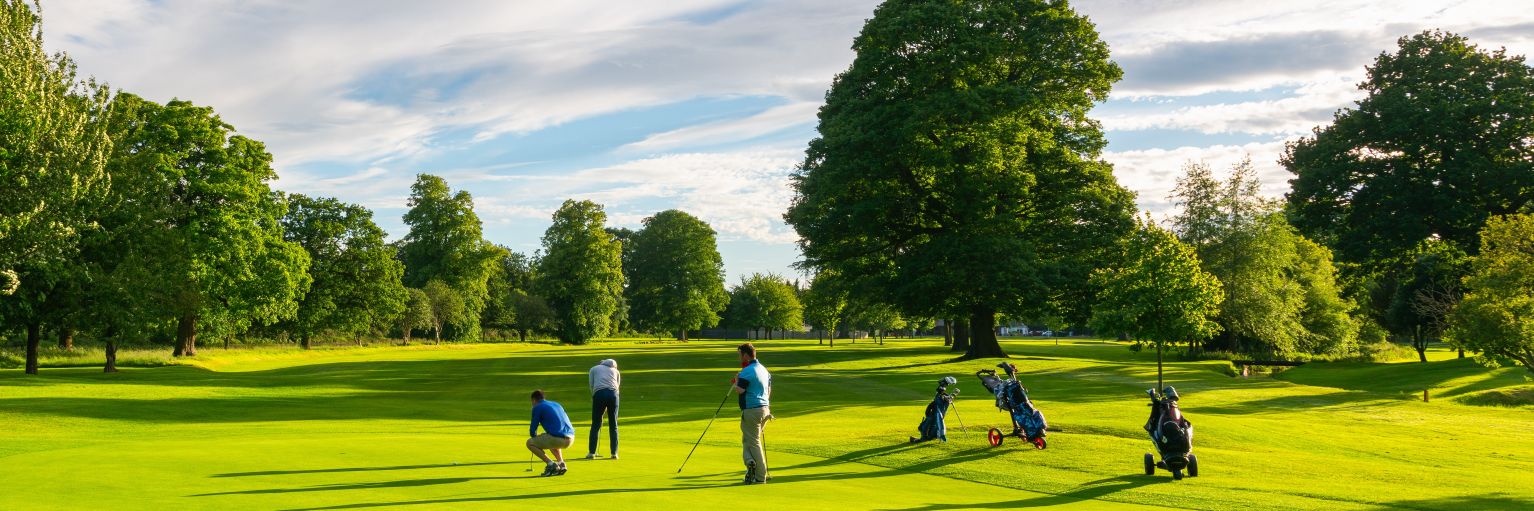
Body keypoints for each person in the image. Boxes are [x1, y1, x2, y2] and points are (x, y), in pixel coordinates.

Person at [733, 343, 772, 485]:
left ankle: (761, 476)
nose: (739, 358)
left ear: (745, 355)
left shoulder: (747, 371)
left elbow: (740, 390)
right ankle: (750, 462)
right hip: (765, 409)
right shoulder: (764, 370)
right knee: (747, 440)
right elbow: (768, 390)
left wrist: (737, 381)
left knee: (753, 442)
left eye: (740, 355)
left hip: (751, 410)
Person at [526, 389, 576, 477]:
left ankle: (551, 464)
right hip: (571, 438)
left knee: (529, 443)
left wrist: (535, 437)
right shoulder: (556, 404)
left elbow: (533, 429)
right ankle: (561, 464)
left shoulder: (537, 407)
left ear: (534, 400)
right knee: (548, 437)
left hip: (558, 439)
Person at [586, 358, 620, 460]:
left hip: (599, 394)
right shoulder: (616, 371)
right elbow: (617, 386)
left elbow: (591, 385)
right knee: (613, 424)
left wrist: (595, 397)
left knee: (596, 423)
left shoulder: (594, 369)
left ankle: (592, 453)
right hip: (613, 395)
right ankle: (614, 453)